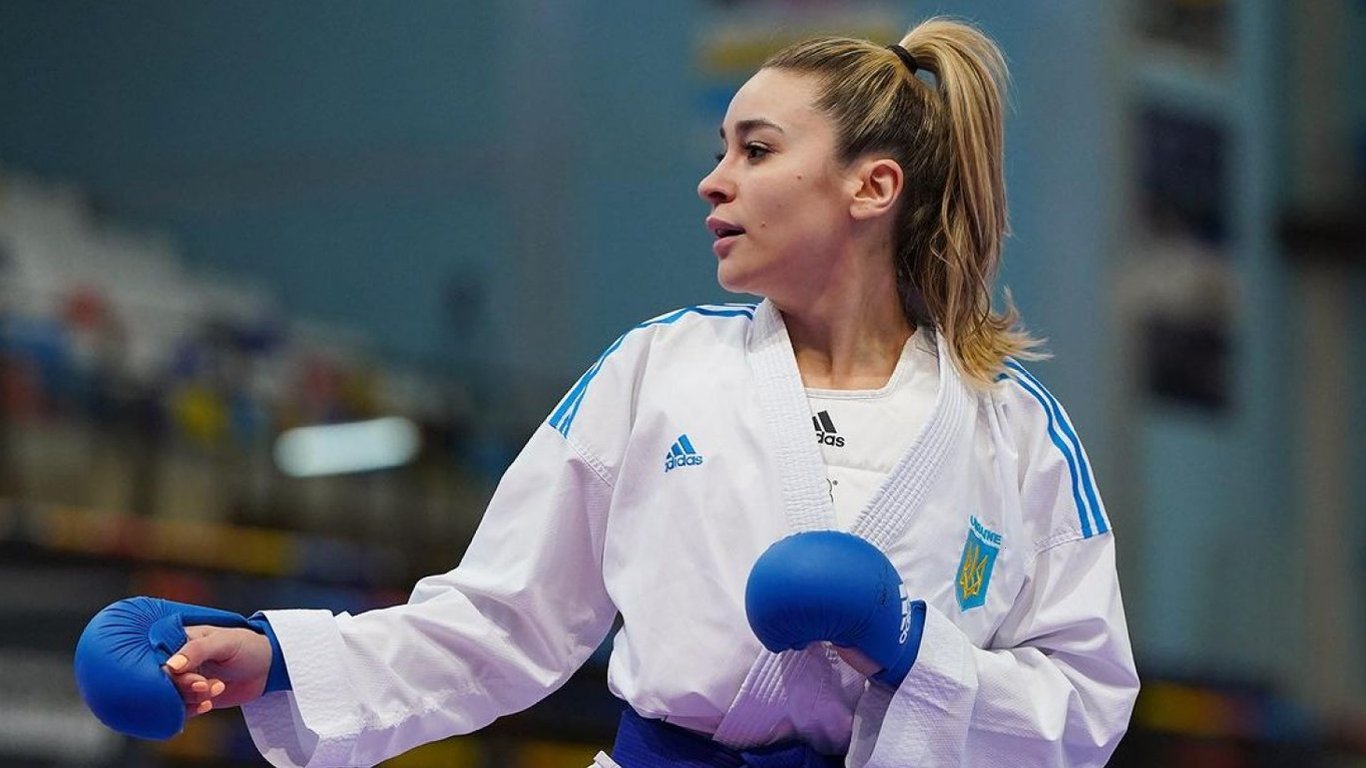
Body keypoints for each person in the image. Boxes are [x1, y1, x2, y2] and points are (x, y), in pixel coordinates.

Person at [74, 17, 1139, 767]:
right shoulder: (657, 371)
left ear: (873, 186)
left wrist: (911, 646)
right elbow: (500, 620)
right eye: (720, 148)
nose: (713, 179)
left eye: (757, 149)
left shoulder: (1012, 430)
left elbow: (1087, 710)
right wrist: (277, 660)